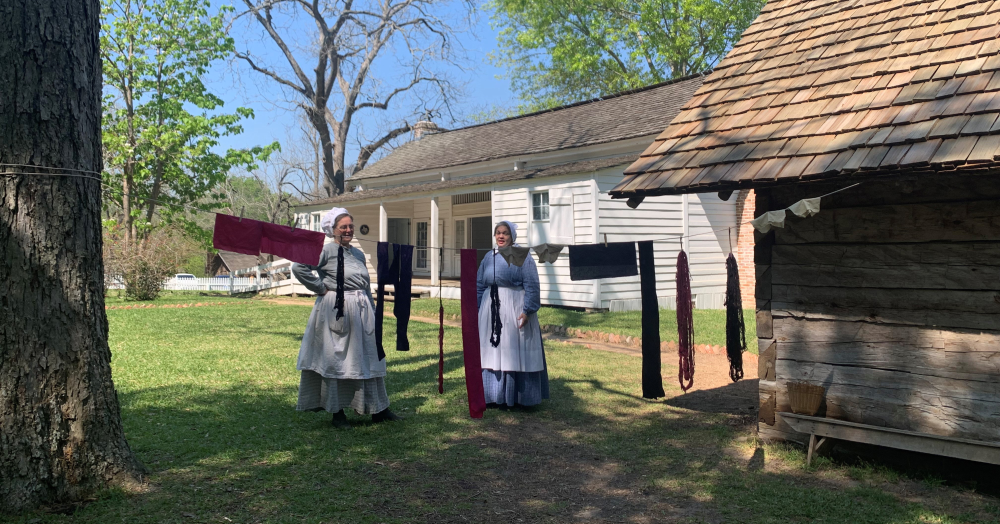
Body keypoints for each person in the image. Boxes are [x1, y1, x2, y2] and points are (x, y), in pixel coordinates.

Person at [292, 207, 401, 429]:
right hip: (337, 309)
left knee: (369, 357)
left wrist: (372, 311)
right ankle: (337, 412)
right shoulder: (327, 251)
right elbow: (299, 267)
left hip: (361, 312)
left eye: (351, 226)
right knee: (338, 359)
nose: (348, 230)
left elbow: (365, 284)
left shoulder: (358, 253)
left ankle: (378, 409)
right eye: (343, 227)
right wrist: (321, 288)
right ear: (333, 230)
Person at [477, 220, 549, 407]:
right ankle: (493, 395)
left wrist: (528, 311)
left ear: (512, 236)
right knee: (492, 352)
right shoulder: (488, 257)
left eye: (505, 233)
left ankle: (518, 396)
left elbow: (532, 284)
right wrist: (478, 309)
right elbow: (479, 284)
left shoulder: (522, 256)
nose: (501, 236)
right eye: (498, 233)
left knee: (512, 350)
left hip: (513, 308)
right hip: (489, 309)